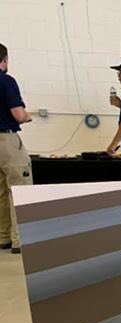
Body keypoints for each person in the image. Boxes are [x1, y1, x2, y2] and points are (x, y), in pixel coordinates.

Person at [0, 43, 33, 254]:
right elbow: (18, 115)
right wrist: (28, 116)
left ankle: (3, 236)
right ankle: (20, 240)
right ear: (4, 60)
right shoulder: (6, 81)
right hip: (6, 141)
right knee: (20, 190)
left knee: (1, 193)